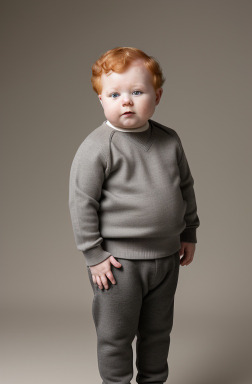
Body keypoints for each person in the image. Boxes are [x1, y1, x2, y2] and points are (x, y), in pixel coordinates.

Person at [69, 46, 200, 384]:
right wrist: (93, 254)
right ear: (101, 99)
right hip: (117, 264)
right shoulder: (98, 146)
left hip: (166, 258)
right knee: (115, 336)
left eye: (137, 92)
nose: (125, 101)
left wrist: (189, 232)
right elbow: (82, 202)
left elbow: (185, 187)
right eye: (114, 94)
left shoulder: (169, 141)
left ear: (157, 96)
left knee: (158, 334)